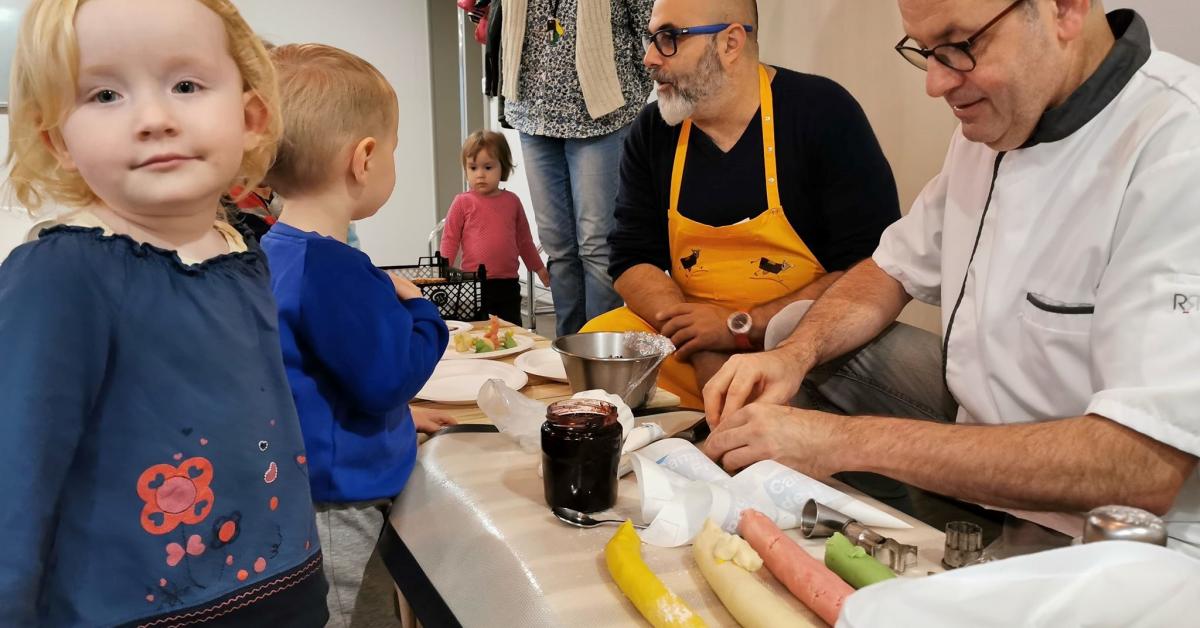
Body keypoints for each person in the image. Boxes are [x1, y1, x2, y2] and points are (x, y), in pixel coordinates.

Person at [703, 0, 1200, 557]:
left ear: (1065, 9)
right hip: (984, 445)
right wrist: (791, 356)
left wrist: (838, 441)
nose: (935, 83)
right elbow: (891, 269)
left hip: (1121, 529)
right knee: (797, 330)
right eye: (926, 52)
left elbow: (1141, 466)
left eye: (961, 45)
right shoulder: (993, 123)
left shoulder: (1178, 145)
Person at [0, 0, 329, 625]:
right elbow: (13, 478)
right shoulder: (64, 273)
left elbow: (262, 413)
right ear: (57, 140)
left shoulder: (240, 252)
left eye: (186, 85)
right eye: (104, 95)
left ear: (250, 116)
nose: (154, 119)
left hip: (282, 590)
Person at [583, 0, 900, 410]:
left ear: (730, 43)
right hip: (688, 340)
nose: (649, 58)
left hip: (794, 342)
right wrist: (696, 337)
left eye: (668, 38)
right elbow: (631, 257)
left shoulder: (822, 112)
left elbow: (871, 266)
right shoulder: (653, 130)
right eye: (651, 39)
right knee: (597, 346)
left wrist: (740, 327)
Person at [259, 43, 450, 627]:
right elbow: (386, 378)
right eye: (394, 149)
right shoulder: (335, 269)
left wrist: (398, 420)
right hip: (338, 504)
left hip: (301, 483)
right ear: (364, 158)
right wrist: (425, 315)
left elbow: (317, 375)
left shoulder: (271, 250)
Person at [500, 0, 655, 336]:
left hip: (601, 115)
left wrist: (634, 89)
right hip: (533, 114)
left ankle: (599, 350)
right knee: (557, 246)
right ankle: (568, 348)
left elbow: (651, 23)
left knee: (597, 246)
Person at [440, 130, 550, 325]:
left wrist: (539, 268)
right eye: (473, 168)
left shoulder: (512, 202)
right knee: (479, 329)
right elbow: (450, 239)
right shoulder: (462, 202)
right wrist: (443, 271)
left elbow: (524, 241)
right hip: (474, 283)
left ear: (502, 167)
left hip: (508, 284)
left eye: (488, 167)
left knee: (511, 329)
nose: (480, 174)